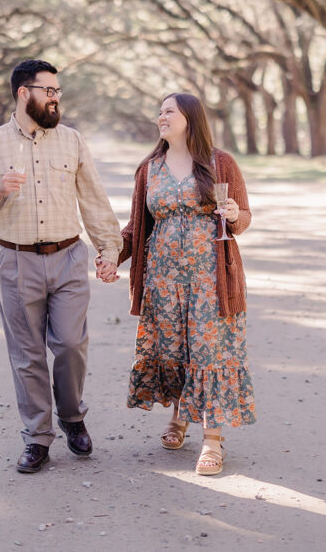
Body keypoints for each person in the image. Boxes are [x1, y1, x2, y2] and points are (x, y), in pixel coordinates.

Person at [0, 59, 121, 474]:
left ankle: (72, 416)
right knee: (27, 355)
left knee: (69, 344)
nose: (55, 98)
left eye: (57, 92)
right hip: (15, 260)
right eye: (48, 91)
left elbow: (94, 200)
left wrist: (108, 250)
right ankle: (37, 437)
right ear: (22, 93)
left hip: (68, 257)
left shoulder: (71, 141)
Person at [115, 92, 255, 476]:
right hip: (163, 279)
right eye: (158, 111)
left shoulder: (220, 162)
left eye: (169, 111)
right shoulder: (149, 168)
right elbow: (135, 227)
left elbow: (244, 215)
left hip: (211, 276)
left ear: (190, 117)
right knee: (176, 348)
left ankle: (212, 440)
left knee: (210, 352)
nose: (161, 116)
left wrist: (234, 215)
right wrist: (112, 255)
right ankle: (179, 419)